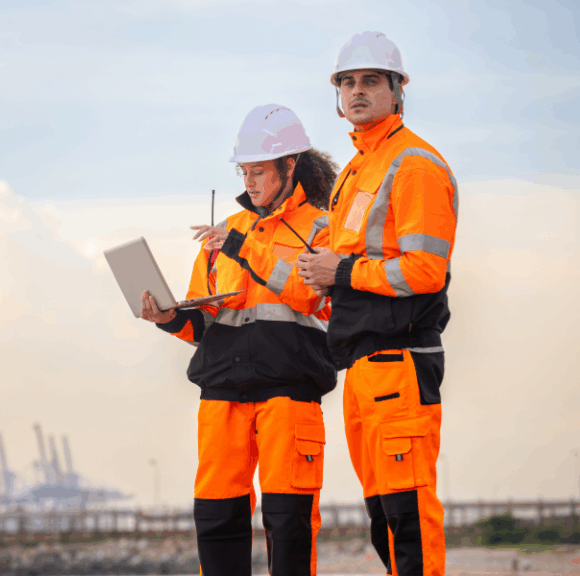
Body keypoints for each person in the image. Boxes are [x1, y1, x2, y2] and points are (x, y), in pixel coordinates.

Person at [140, 104, 338, 576]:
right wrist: (169, 318)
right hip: (222, 395)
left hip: (289, 393)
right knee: (216, 517)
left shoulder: (323, 228)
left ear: (291, 166)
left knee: (289, 519)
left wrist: (244, 248)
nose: (249, 182)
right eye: (243, 171)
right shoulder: (225, 233)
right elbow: (205, 327)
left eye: (259, 171)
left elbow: (312, 300)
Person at [297, 32, 458, 576]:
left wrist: (338, 270)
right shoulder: (354, 171)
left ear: (397, 91)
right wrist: (325, 276)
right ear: (337, 94)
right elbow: (355, 266)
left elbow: (423, 270)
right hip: (363, 366)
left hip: (401, 360)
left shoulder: (412, 165)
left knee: (408, 512)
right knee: (383, 517)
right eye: (348, 82)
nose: (357, 91)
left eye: (370, 81)